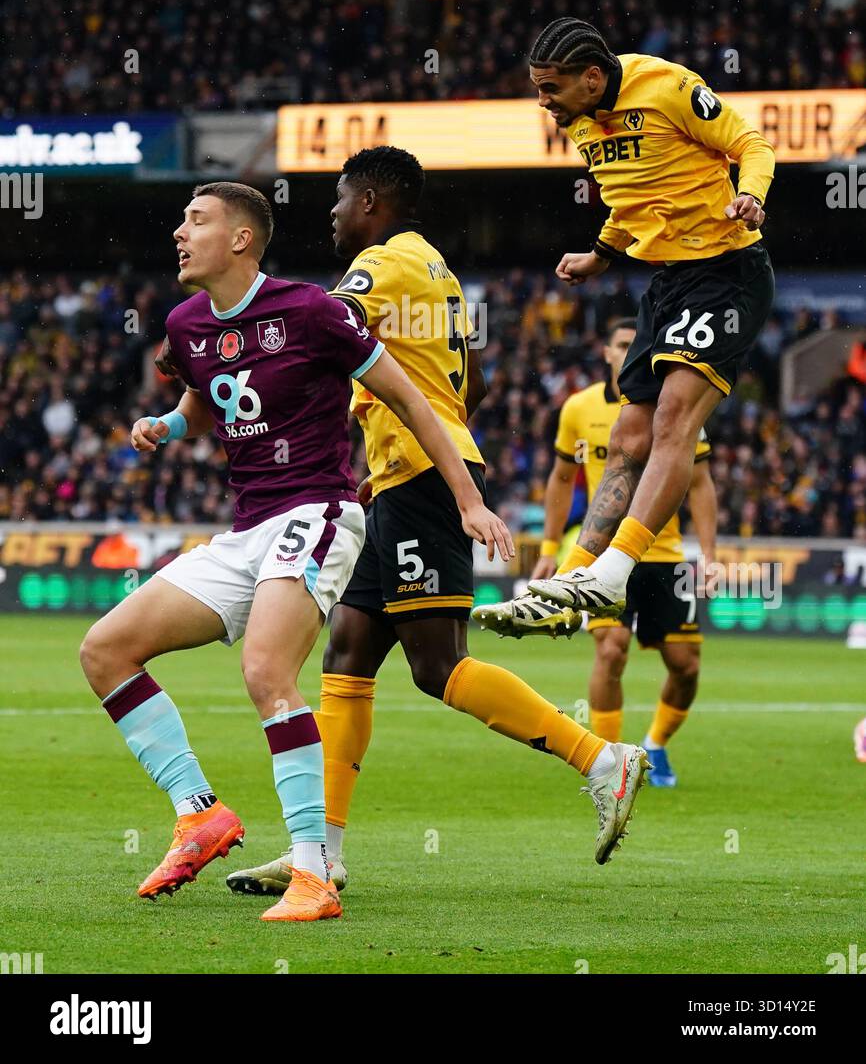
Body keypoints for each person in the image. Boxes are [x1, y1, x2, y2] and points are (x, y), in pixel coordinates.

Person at [79, 181, 512, 924]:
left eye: (197, 220)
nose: (179, 233)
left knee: (266, 671)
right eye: (182, 221)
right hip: (246, 530)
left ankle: (312, 873)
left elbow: (409, 397)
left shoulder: (313, 311)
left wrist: (469, 500)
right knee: (105, 649)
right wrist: (168, 425)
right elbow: (202, 392)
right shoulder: (186, 323)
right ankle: (198, 814)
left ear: (242, 239)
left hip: (318, 511)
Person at [227, 148, 648, 896]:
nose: (332, 212)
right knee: (347, 657)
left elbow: (325, 328)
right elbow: (472, 381)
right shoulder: (442, 275)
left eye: (341, 197)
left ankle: (603, 760)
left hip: (422, 482)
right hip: (402, 477)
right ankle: (318, 854)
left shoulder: (384, 264)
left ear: (374, 203)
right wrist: (403, 448)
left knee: (437, 665)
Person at [476, 17, 774, 636]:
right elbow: (628, 198)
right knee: (628, 436)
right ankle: (577, 580)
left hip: (727, 269)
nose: (542, 101)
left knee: (672, 421)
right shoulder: (580, 122)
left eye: (551, 88)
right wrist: (600, 255)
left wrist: (751, 194)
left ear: (592, 77)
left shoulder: (667, 87)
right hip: (665, 282)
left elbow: (753, 143)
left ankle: (612, 571)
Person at [531, 319, 717, 787]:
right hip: (602, 554)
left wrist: (710, 554)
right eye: (620, 344)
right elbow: (559, 478)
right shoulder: (578, 408)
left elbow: (699, 483)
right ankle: (613, 763)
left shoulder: (680, 401)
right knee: (611, 651)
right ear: (609, 354)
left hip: (665, 553)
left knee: (685, 664)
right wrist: (551, 548)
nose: (628, 350)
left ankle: (656, 743)